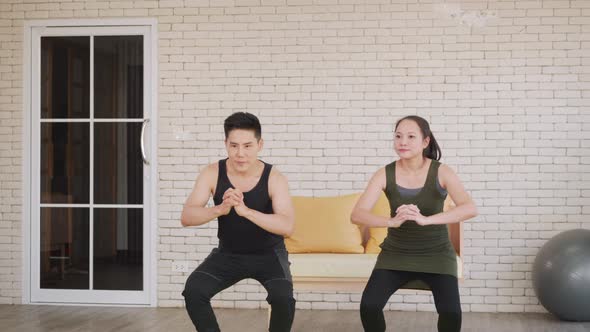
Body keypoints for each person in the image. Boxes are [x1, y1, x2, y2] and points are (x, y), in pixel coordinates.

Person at [351, 115, 478, 332]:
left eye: (411, 136)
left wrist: (427, 220)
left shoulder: (441, 171)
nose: (403, 142)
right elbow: (358, 214)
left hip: (437, 255)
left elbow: (469, 208)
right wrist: (391, 222)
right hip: (395, 254)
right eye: (398, 136)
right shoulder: (384, 173)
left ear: (425, 142)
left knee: (451, 313)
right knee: (369, 306)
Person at [181, 112, 296, 332]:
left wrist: (246, 212)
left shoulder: (274, 177)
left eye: (247, 146)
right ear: (225, 144)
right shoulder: (212, 173)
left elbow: (287, 227)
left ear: (260, 145)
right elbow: (187, 217)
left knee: (283, 299)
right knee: (194, 291)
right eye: (233, 146)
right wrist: (220, 209)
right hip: (228, 254)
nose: (240, 154)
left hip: (269, 255)